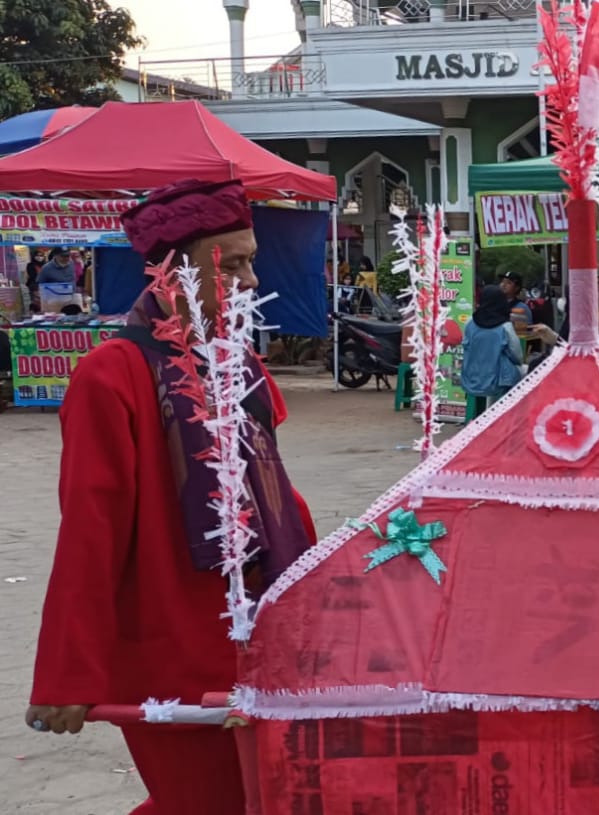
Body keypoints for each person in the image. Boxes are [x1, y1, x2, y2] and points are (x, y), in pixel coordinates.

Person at [25, 178, 319, 815]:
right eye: (231, 262)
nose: (247, 279)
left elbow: (279, 498)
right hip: (170, 648)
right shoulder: (112, 374)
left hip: (266, 634)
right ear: (170, 272)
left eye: (251, 260)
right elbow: (90, 530)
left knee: (268, 799)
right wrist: (66, 675)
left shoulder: (239, 362)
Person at [462, 284, 525, 415]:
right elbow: (517, 356)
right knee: (525, 370)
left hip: (471, 379)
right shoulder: (505, 327)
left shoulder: (469, 323)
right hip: (497, 382)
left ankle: (475, 415)